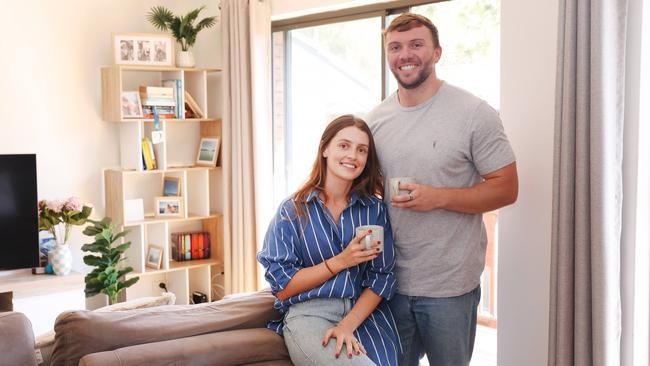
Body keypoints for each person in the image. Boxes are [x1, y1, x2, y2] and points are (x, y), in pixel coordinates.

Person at [367, 13, 518, 366]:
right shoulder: (375, 120)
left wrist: (439, 197)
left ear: (436, 53)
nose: (406, 54)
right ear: (389, 56)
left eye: (416, 45)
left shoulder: (474, 113)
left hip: (450, 287)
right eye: (396, 47)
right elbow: (370, 187)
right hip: (389, 283)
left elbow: (507, 189)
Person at [257, 115, 401, 365]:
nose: (352, 155)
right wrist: (341, 261)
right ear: (325, 148)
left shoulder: (373, 210)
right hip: (311, 315)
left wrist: (347, 325)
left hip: (364, 317)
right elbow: (283, 287)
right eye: (343, 145)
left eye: (361, 150)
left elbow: (383, 276)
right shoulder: (292, 210)